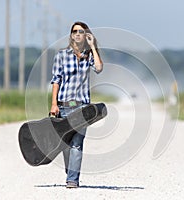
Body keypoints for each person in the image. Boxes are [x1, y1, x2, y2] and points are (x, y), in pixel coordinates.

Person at [50, 21, 103, 188]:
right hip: (64, 105)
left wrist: (93, 47)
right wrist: (54, 104)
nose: (78, 34)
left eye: (81, 31)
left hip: (82, 107)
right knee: (66, 144)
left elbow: (99, 68)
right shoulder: (61, 55)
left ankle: (72, 180)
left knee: (76, 144)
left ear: (86, 35)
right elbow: (56, 80)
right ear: (71, 35)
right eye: (75, 31)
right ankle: (71, 171)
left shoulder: (89, 57)